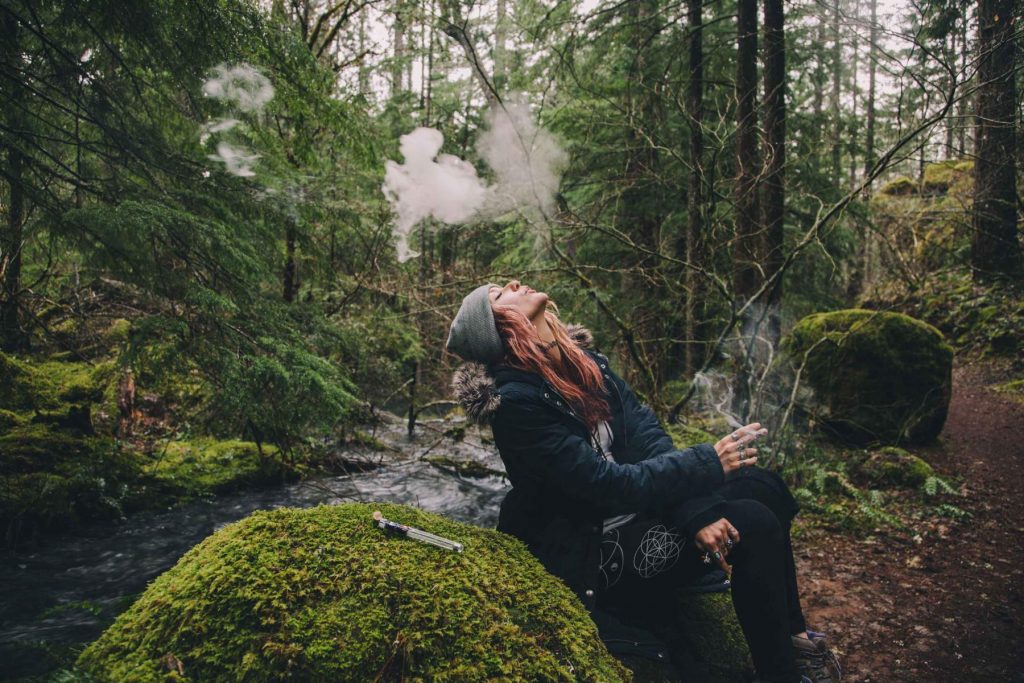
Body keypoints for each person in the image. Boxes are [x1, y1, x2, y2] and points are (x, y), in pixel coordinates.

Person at [446, 279, 842, 683]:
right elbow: (604, 485)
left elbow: (645, 437)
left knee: (764, 487)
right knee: (753, 522)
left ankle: (795, 644)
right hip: (596, 553)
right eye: (498, 295)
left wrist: (695, 512)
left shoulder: (586, 363)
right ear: (500, 328)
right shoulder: (516, 404)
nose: (512, 283)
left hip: (640, 511)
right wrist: (707, 463)